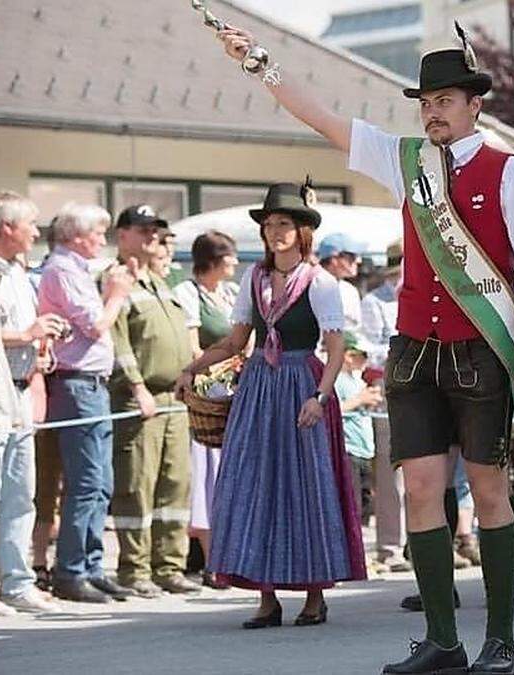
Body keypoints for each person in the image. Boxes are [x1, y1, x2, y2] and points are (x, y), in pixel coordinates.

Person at [215, 24, 514, 674]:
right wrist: (258, 63)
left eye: (446, 99)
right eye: (427, 101)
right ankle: (443, 640)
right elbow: (322, 118)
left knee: (486, 488)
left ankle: (502, 641)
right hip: (413, 353)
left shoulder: (508, 172)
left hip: (482, 349)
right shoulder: (407, 162)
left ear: (474, 103)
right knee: (421, 487)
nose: (434, 110)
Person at [175, 182, 366, 627]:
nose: (275, 231)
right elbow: (236, 341)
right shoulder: (254, 278)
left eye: (284, 223)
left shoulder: (319, 283)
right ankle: (266, 596)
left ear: (302, 231)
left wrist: (320, 397)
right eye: (269, 224)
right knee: (252, 484)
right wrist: (194, 367)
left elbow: (336, 350)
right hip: (260, 386)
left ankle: (315, 595)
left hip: (301, 382)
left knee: (307, 487)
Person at [38, 202, 136, 604]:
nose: (102, 240)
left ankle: (92, 567)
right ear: (76, 236)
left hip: (93, 385)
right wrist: (115, 294)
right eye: (97, 233)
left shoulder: (77, 270)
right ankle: (71, 571)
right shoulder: (62, 269)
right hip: (76, 384)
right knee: (85, 481)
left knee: (101, 483)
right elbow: (94, 325)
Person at [0, 192, 62, 615]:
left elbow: (19, 331)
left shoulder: (16, 271)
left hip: (22, 391)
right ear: (7, 227)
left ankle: (17, 582)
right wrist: (26, 335)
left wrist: (40, 348)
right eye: (30, 224)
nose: (36, 231)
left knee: (19, 495)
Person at [108, 205, 199, 597]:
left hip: (173, 399)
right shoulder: (117, 280)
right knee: (137, 485)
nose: (151, 238)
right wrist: (136, 387)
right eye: (142, 230)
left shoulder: (160, 282)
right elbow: (118, 341)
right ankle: (135, 570)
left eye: (155, 232)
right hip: (140, 398)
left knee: (174, 486)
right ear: (122, 235)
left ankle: (169, 566)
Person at [172, 230, 240, 589]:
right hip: (204, 397)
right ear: (213, 259)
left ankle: (229, 556)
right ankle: (211, 558)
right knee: (205, 477)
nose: (234, 262)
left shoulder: (228, 293)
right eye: (228, 255)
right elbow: (192, 349)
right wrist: (219, 366)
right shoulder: (187, 293)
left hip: (230, 395)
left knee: (227, 476)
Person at [359, 242, 410, 573]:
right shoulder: (375, 301)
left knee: (415, 470)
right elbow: (368, 349)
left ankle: (413, 544)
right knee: (391, 473)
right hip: (388, 386)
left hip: (417, 383)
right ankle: (391, 545)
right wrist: (402, 348)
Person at [336, 331, 380, 525]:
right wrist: (359, 400)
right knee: (352, 504)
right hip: (349, 450)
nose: (366, 361)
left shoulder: (358, 381)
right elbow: (333, 410)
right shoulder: (336, 380)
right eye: (363, 356)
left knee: (365, 504)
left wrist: (368, 400)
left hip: (364, 452)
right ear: (348, 356)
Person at [316, 231, 365, 331]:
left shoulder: (350, 291)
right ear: (334, 260)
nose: (359, 261)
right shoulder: (312, 288)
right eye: (352, 256)